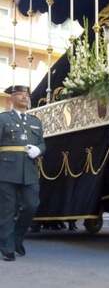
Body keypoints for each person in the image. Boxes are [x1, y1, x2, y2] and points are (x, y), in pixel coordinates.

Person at [0, 85, 45, 261]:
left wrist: (39, 150)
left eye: (27, 95)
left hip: (29, 170)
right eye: (20, 95)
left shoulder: (36, 121)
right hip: (6, 169)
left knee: (31, 205)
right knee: (7, 210)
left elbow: (42, 143)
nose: (25, 98)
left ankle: (17, 238)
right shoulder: (3, 119)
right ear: (11, 98)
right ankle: (7, 247)